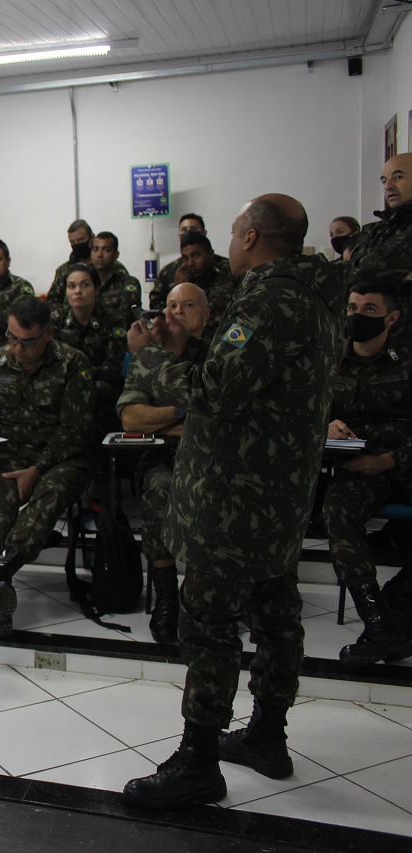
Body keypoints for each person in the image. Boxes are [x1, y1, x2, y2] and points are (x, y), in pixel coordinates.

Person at [122, 194, 348, 810]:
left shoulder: (269, 300)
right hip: (278, 489)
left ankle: (197, 760)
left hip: (234, 494)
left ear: (250, 235)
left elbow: (216, 395)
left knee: (211, 624)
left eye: (232, 232)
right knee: (276, 611)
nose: (228, 242)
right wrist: (189, 347)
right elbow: (249, 377)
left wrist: (154, 357)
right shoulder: (316, 297)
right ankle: (268, 737)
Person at [0, 296, 95, 638]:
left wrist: (38, 467)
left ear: (48, 334)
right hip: (8, 455)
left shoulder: (73, 364)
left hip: (61, 458)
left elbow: (76, 430)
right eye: (12, 337)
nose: (18, 348)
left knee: (50, 494)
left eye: (27, 342)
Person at [320, 274, 412, 667]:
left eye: (369, 310)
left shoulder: (407, 358)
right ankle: (378, 625)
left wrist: (389, 461)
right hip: (358, 466)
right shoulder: (331, 358)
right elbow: (309, 409)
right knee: (336, 513)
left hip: (404, 463)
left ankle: (395, 602)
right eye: (353, 309)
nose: (358, 317)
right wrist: (326, 425)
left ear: (391, 318)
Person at [115, 283, 212, 643]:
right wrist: (181, 412)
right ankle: (167, 596)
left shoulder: (216, 355)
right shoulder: (147, 357)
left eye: (188, 304)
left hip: (209, 455)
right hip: (161, 456)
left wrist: (164, 418)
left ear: (206, 314)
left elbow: (217, 413)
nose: (176, 311)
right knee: (158, 490)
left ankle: (206, 593)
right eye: (170, 305)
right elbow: (131, 418)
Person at [52, 262, 127, 437]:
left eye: (85, 285)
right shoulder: (57, 319)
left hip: (100, 387)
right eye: (72, 286)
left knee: (92, 393)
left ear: (97, 289)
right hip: (63, 383)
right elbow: (52, 360)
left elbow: (113, 369)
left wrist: (79, 375)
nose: (77, 291)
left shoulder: (113, 320)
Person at [349, 153, 412, 278]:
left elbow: (368, 271)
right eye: (384, 181)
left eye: (398, 177)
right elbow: (348, 272)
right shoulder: (374, 230)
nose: (388, 186)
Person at [151, 213, 230, 309]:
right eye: (184, 230)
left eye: (193, 230)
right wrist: (178, 289)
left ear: (204, 233)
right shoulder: (169, 272)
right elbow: (157, 308)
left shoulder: (228, 268)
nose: (190, 263)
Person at [172, 232, 238, 336]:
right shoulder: (181, 278)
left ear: (210, 254)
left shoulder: (230, 272)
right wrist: (179, 288)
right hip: (194, 342)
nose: (190, 263)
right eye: (185, 258)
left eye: (195, 255)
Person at [47, 219, 96, 301]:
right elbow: (52, 302)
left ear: (92, 238)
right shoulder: (63, 270)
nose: (77, 245)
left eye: (81, 240)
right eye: (73, 242)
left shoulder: (109, 267)